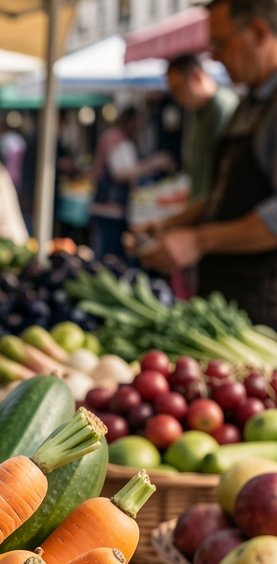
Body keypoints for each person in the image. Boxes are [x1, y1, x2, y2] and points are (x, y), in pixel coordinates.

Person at [143, 0, 277, 327]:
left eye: (219, 43)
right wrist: (171, 224)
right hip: (227, 299)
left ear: (259, 31)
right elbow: (223, 195)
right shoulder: (247, 104)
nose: (213, 56)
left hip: (264, 310)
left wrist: (199, 240)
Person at [87, 108, 174, 257]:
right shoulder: (116, 139)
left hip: (107, 207)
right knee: (110, 255)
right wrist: (153, 164)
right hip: (109, 207)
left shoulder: (113, 136)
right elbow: (121, 173)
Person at [167, 53, 239, 201]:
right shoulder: (201, 110)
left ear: (197, 78)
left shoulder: (222, 106)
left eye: (178, 88)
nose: (176, 96)